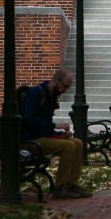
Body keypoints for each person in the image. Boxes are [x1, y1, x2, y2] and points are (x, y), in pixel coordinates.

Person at [21, 68, 91, 199]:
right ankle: (61, 187)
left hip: (41, 138)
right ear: (56, 80)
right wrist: (56, 125)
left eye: (68, 88)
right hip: (29, 141)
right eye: (65, 86)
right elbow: (30, 120)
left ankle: (71, 185)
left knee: (77, 143)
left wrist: (59, 135)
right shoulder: (37, 93)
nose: (65, 90)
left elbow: (45, 128)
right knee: (69, 147)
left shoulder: (51, 97)